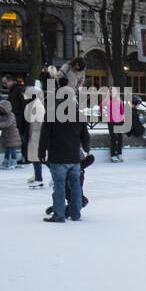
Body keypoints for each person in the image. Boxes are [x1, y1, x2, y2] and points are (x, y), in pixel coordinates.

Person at [38, 90, 91, 222]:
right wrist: (87, 149)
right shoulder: (79, 116)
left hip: (57, 156)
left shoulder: (51, 114)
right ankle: (75, 213)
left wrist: (41, 153)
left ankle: (59, 214)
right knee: (76, 186)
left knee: (59, 186)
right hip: (74, 157)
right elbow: (85, 136)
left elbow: (44, 136)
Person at [25, 84, 46, 188]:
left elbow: (41, 121)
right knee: (34, 156)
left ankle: (39, 178)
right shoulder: (34, 104)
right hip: (34, 132)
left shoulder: (37, 106)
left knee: (37, 157)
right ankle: (37, 175)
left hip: (37, 133)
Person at [0, 99, 21, 168]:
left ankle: (14, 160)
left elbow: (8, 123)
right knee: (7, 149)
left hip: (12, 134)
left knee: (12, 148)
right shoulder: (2, 116)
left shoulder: (11, 115)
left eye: (1, 108)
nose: (1, 110)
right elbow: (1, 125)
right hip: (5, 135)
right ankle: (6, 160)